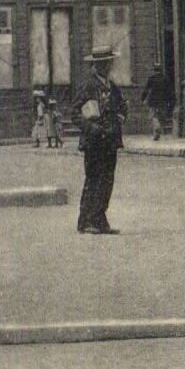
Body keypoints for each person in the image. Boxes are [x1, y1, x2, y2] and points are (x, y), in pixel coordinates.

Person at [73, 45, 128, 235]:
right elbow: (75, 112)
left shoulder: (111, 86)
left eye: (109, 62)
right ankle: (85, 221)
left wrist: (120, 117)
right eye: (104, 63)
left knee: (107, 181)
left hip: (110, 140)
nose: (107, 66)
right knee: (93, 179)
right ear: (96, 65)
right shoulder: (88, 85)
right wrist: (90, 127)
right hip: (94, 141)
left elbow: (122, 105)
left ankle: (100, 219)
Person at [142, 61, 174, 141]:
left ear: (154, 70)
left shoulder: (151, 78)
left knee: (153, 116)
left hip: (153, 101)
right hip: (163, 101)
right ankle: (157, 133)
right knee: (161, 116)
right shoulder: (165, 78)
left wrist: (143, 98)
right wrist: (171, 100)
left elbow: (146, 89)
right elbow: (169, 90)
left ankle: (157, 130)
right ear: (161, 70)